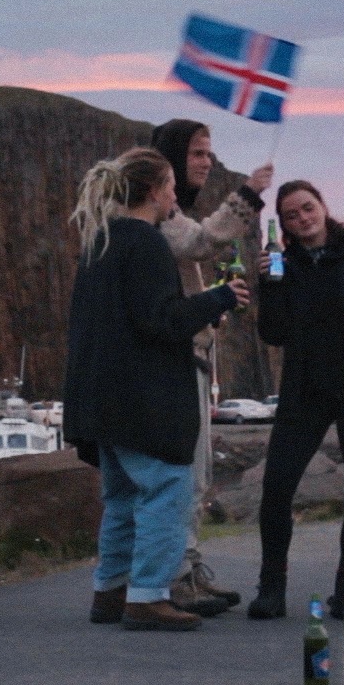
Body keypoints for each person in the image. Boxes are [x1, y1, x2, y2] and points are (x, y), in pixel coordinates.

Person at [63, 149, 247, 632]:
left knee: (122, 497)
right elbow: (161, 321)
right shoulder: (145, 244)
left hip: (99, 397)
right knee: (168, 488)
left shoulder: (98, 243)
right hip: (141, 399)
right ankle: (147, 596)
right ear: (152, 191)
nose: (174, 198)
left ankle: (111, 590)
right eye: (169, 187)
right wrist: (219, 298)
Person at [248, 181, 344, 620]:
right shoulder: (283, 262)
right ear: (286, 227)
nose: (302, 219)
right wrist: (269, 283)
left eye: (307, 208)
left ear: (323, 206)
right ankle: (271, 588)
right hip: (306, 388)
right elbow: (272, 333)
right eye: (292, 215)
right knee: (276, 486)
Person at [147, 118, 274, 615]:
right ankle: (175, 579)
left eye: (208, 153)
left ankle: (184, 569)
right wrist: (248, 194)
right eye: (198, 153)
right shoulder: (161, 213)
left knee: (193, 475)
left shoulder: (167, 212)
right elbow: (199, 242)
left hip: (191, 356)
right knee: (181, 475)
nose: (207, 162)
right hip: (175, 362)